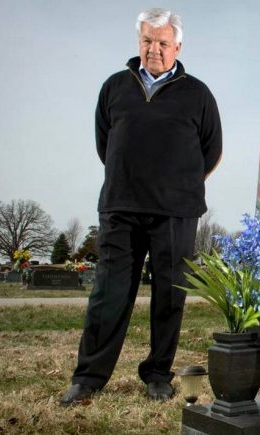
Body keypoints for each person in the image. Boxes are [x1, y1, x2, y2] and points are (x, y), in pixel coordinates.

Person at [60, 8, 222, 405]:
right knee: (108, 293)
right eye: (147, 41)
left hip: (175, 211)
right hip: (120, 205)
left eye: (163, 43)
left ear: (177, 46)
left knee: (170, 296)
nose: (154, 50)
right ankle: (88, 378)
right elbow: (105, 143)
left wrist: (178, 185)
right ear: (138, 43)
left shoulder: (198, 93)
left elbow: (212, 150)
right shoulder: (115, 87)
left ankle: (158, 375)